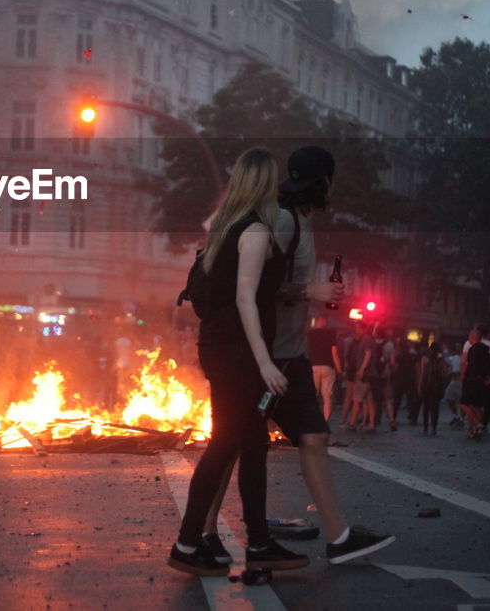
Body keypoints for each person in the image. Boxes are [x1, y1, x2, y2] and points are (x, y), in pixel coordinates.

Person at [198, 145, 395, 567]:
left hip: (291, 355)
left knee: (312, 436)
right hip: (267, 358)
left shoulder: (299, 218)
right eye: (330, 180)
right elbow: (250, 288)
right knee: (233, 443)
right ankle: (206, 532)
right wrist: (311, 291)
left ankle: (338, 537)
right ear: (322, 181)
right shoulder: (282, 221)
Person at [168, 147, 307, 577]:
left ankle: (258, 543)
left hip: (221, 347)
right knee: (226, 443)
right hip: (239, 353)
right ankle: (188, 544)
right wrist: (264, 362)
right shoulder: (255, 232)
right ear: (265, 184)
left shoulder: (224, 229)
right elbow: (246, 297)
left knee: (251, 444)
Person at [460, 328, 490, 439]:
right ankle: (476, 430)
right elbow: (489, 365)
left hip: (472, 380)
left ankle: (477, 424)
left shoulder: (472, 350)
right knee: (477, 406)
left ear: (473, 337)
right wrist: (488, 377)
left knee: (464, 403)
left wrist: (464, 378)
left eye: (469, 336)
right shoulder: (486, 350)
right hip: (482, 381)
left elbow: (471, 366)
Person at [305, 320, 339, 423]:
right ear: (325, 323)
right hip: (327, 367)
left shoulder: (310, 334)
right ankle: (325, 421)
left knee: (313, 395)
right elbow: (335, 353)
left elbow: (306, 351)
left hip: (313, 366)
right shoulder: (330, 334)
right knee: (327, 397)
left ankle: (312, 420)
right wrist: (339, 368)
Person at [417, 341, 448, 435]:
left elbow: (422, 373)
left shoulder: (425, 359)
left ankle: (425, 428)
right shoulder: (441, 360)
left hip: (427, 385)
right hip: (437, 386)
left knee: (426, 407)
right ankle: (434, 428)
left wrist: (419, 385)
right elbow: (444, 374)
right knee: (435, 408)